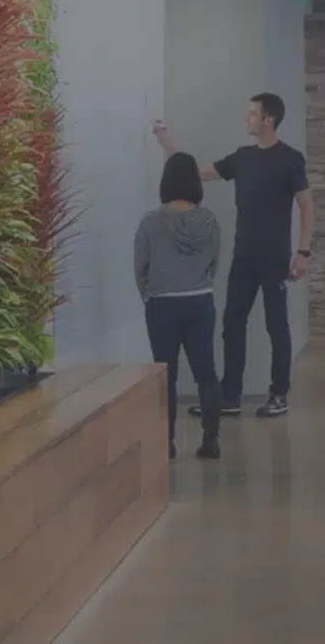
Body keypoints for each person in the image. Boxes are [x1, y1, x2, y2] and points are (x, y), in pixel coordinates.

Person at [153, 92, 314, 420]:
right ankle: (230, 396)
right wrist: (167, 144)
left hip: (274, 258)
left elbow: (307, 205)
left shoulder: (290, 159)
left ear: (268, 119)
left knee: (276, 326)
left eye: (252, 113)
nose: (247, 119)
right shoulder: (242, 158)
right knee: (231, 324)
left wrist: (303, 253)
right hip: (244, 257)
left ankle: (278, 394)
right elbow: (196, 174)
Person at [134, 153, 223, 461]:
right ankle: (211, 440)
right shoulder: (209, 220)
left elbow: (140, 267)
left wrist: (149, 293)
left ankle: (167, 442)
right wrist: (199, 283)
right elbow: (215, 263)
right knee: (206, 372)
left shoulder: (151, 221)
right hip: (200, 301)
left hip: (162, 305)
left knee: (166, 374)